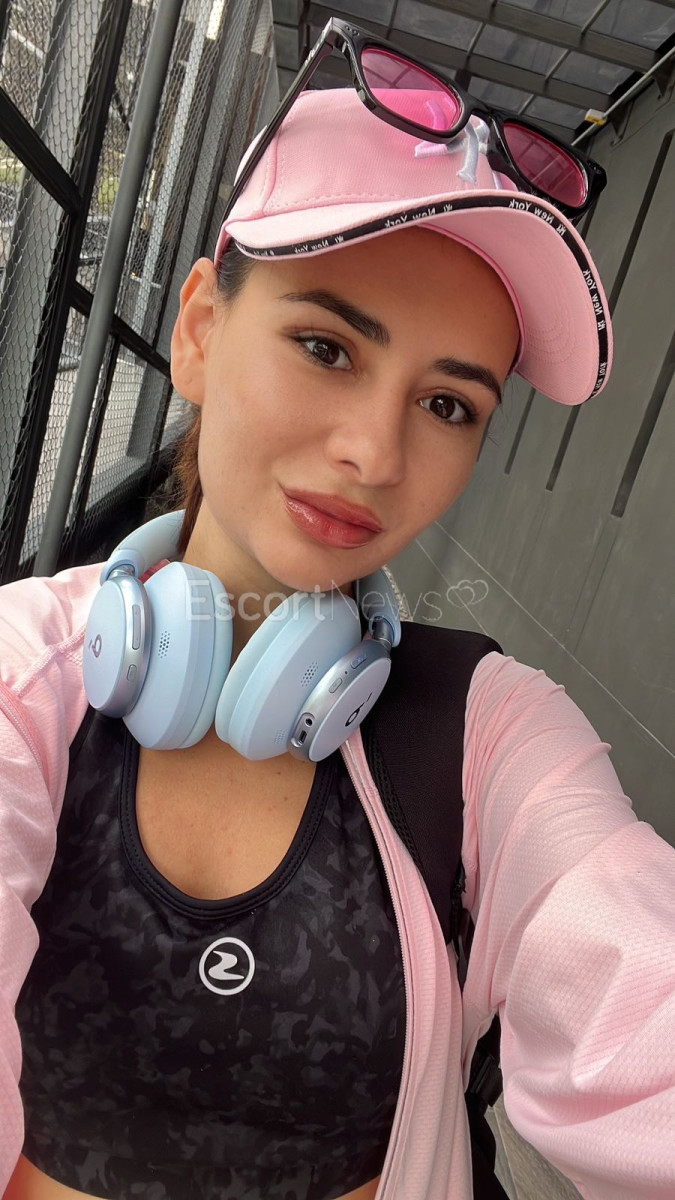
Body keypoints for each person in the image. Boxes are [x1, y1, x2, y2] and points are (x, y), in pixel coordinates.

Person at [1, 15, 674, 1200]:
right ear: (200, 331)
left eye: (449, 405)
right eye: (325, 345)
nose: (374, 453)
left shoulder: (489, 736)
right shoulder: (20, 676)